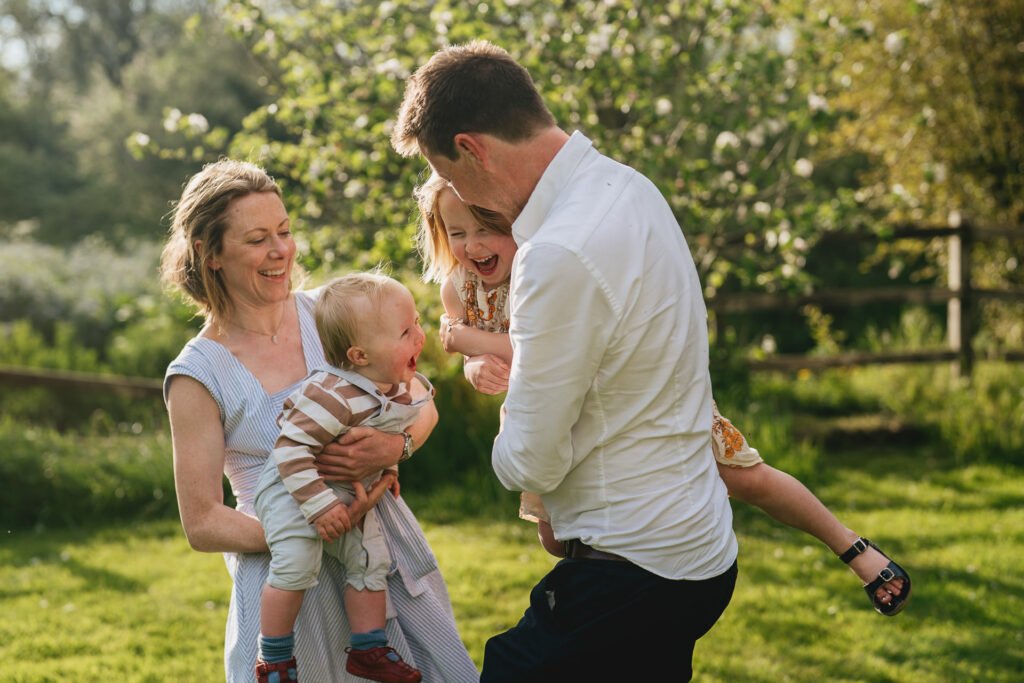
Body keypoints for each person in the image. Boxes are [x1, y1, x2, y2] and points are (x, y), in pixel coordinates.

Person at [413, 172, 912, 616]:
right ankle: (614, 604)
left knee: (747, 478)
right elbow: (492, 353)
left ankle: (854, 550)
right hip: (553, 418)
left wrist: (464, 340)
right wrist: (475, 362)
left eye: (486, 227)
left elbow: (535, 348)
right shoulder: (459, 289)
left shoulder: (544, 267)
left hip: (637, 400)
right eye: (457, 233)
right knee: (553, 537)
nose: (472, 244)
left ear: (516, 224)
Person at [393, 42, 739, 682]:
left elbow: (530, 457)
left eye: (454, 174)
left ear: (473, 149)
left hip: (633, 566)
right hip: (696, 547)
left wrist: (501, 433)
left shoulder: (558, 251)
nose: (464, 197)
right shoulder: (628, 186)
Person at [161, 158, 479, 683]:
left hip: (379, 566)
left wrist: (394, 448)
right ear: (209, 253)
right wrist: (312, 526)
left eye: (284, 232)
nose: (280, 250)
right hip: (290, 587)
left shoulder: (327, 313)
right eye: (257, 239)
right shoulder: (198, 372)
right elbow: (202, 522)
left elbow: (421, 396)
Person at [254, 273, 429, 683]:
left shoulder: (391, 387)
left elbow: (383, 433)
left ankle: (368, 648)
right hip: (291, 488)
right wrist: (320, 507)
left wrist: (386, 469)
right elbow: (290, 451)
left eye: (417, 322)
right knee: (296, 561)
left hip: (339, 490)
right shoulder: (331, 394)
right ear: (360, 355)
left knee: (371, 559)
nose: (420, 336)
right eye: (406, 331)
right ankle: (274, 659)